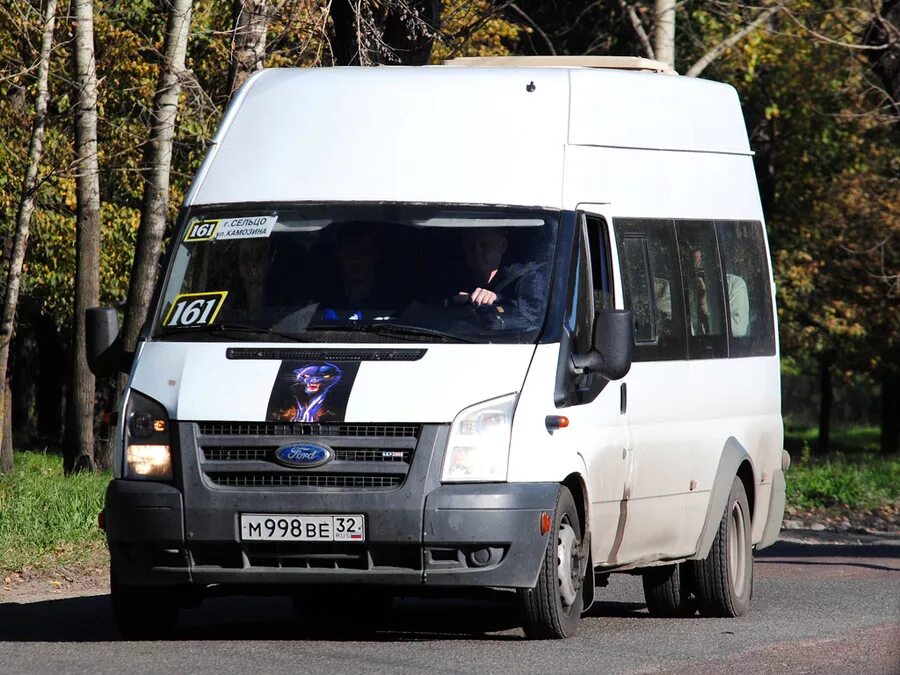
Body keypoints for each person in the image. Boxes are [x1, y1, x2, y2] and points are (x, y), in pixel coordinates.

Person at [456, 228, 547, 329]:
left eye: (484, 244)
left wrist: (495, 303)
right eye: (471, 245)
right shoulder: (451, 278)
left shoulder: (526, 279)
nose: (476, 251)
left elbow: (533, 319)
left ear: (503, 246)